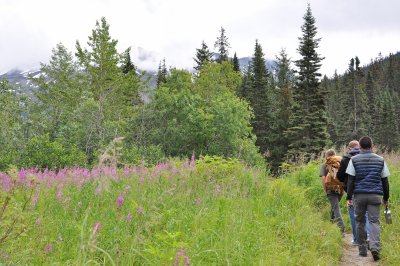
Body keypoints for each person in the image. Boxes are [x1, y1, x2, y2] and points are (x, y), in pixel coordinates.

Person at [346, 136, 390, 261]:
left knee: (360, 221)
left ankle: (363, 249)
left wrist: (349, 197)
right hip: (375, 195)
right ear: (372, 146)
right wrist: (386, 197)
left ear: (359, 146)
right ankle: (375, 247)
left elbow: (351, 180)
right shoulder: (381, 160)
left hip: (359, 195)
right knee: (374, 221)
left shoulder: (353, 160)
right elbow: (385, 181)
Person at [337, 140, 370, 245]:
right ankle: (368, 236)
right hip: (366, 188)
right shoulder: (366, 156)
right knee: (366, 213)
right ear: (359, 146)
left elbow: (339, 176)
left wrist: (346, 183)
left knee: (353, 215)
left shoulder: (346, 159)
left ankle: (356, 239)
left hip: (351, 191)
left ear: (349, 148)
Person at [320, 149, 345, 232]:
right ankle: (331, 223)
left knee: (336, 207)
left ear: (326, 156)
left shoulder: (325, 164)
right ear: (335, 155)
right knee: (334, 206)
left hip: (330, 190)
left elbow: (323, 178)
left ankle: (341, 228)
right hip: (340, 189)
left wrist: (325, 189)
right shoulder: (340, 162)